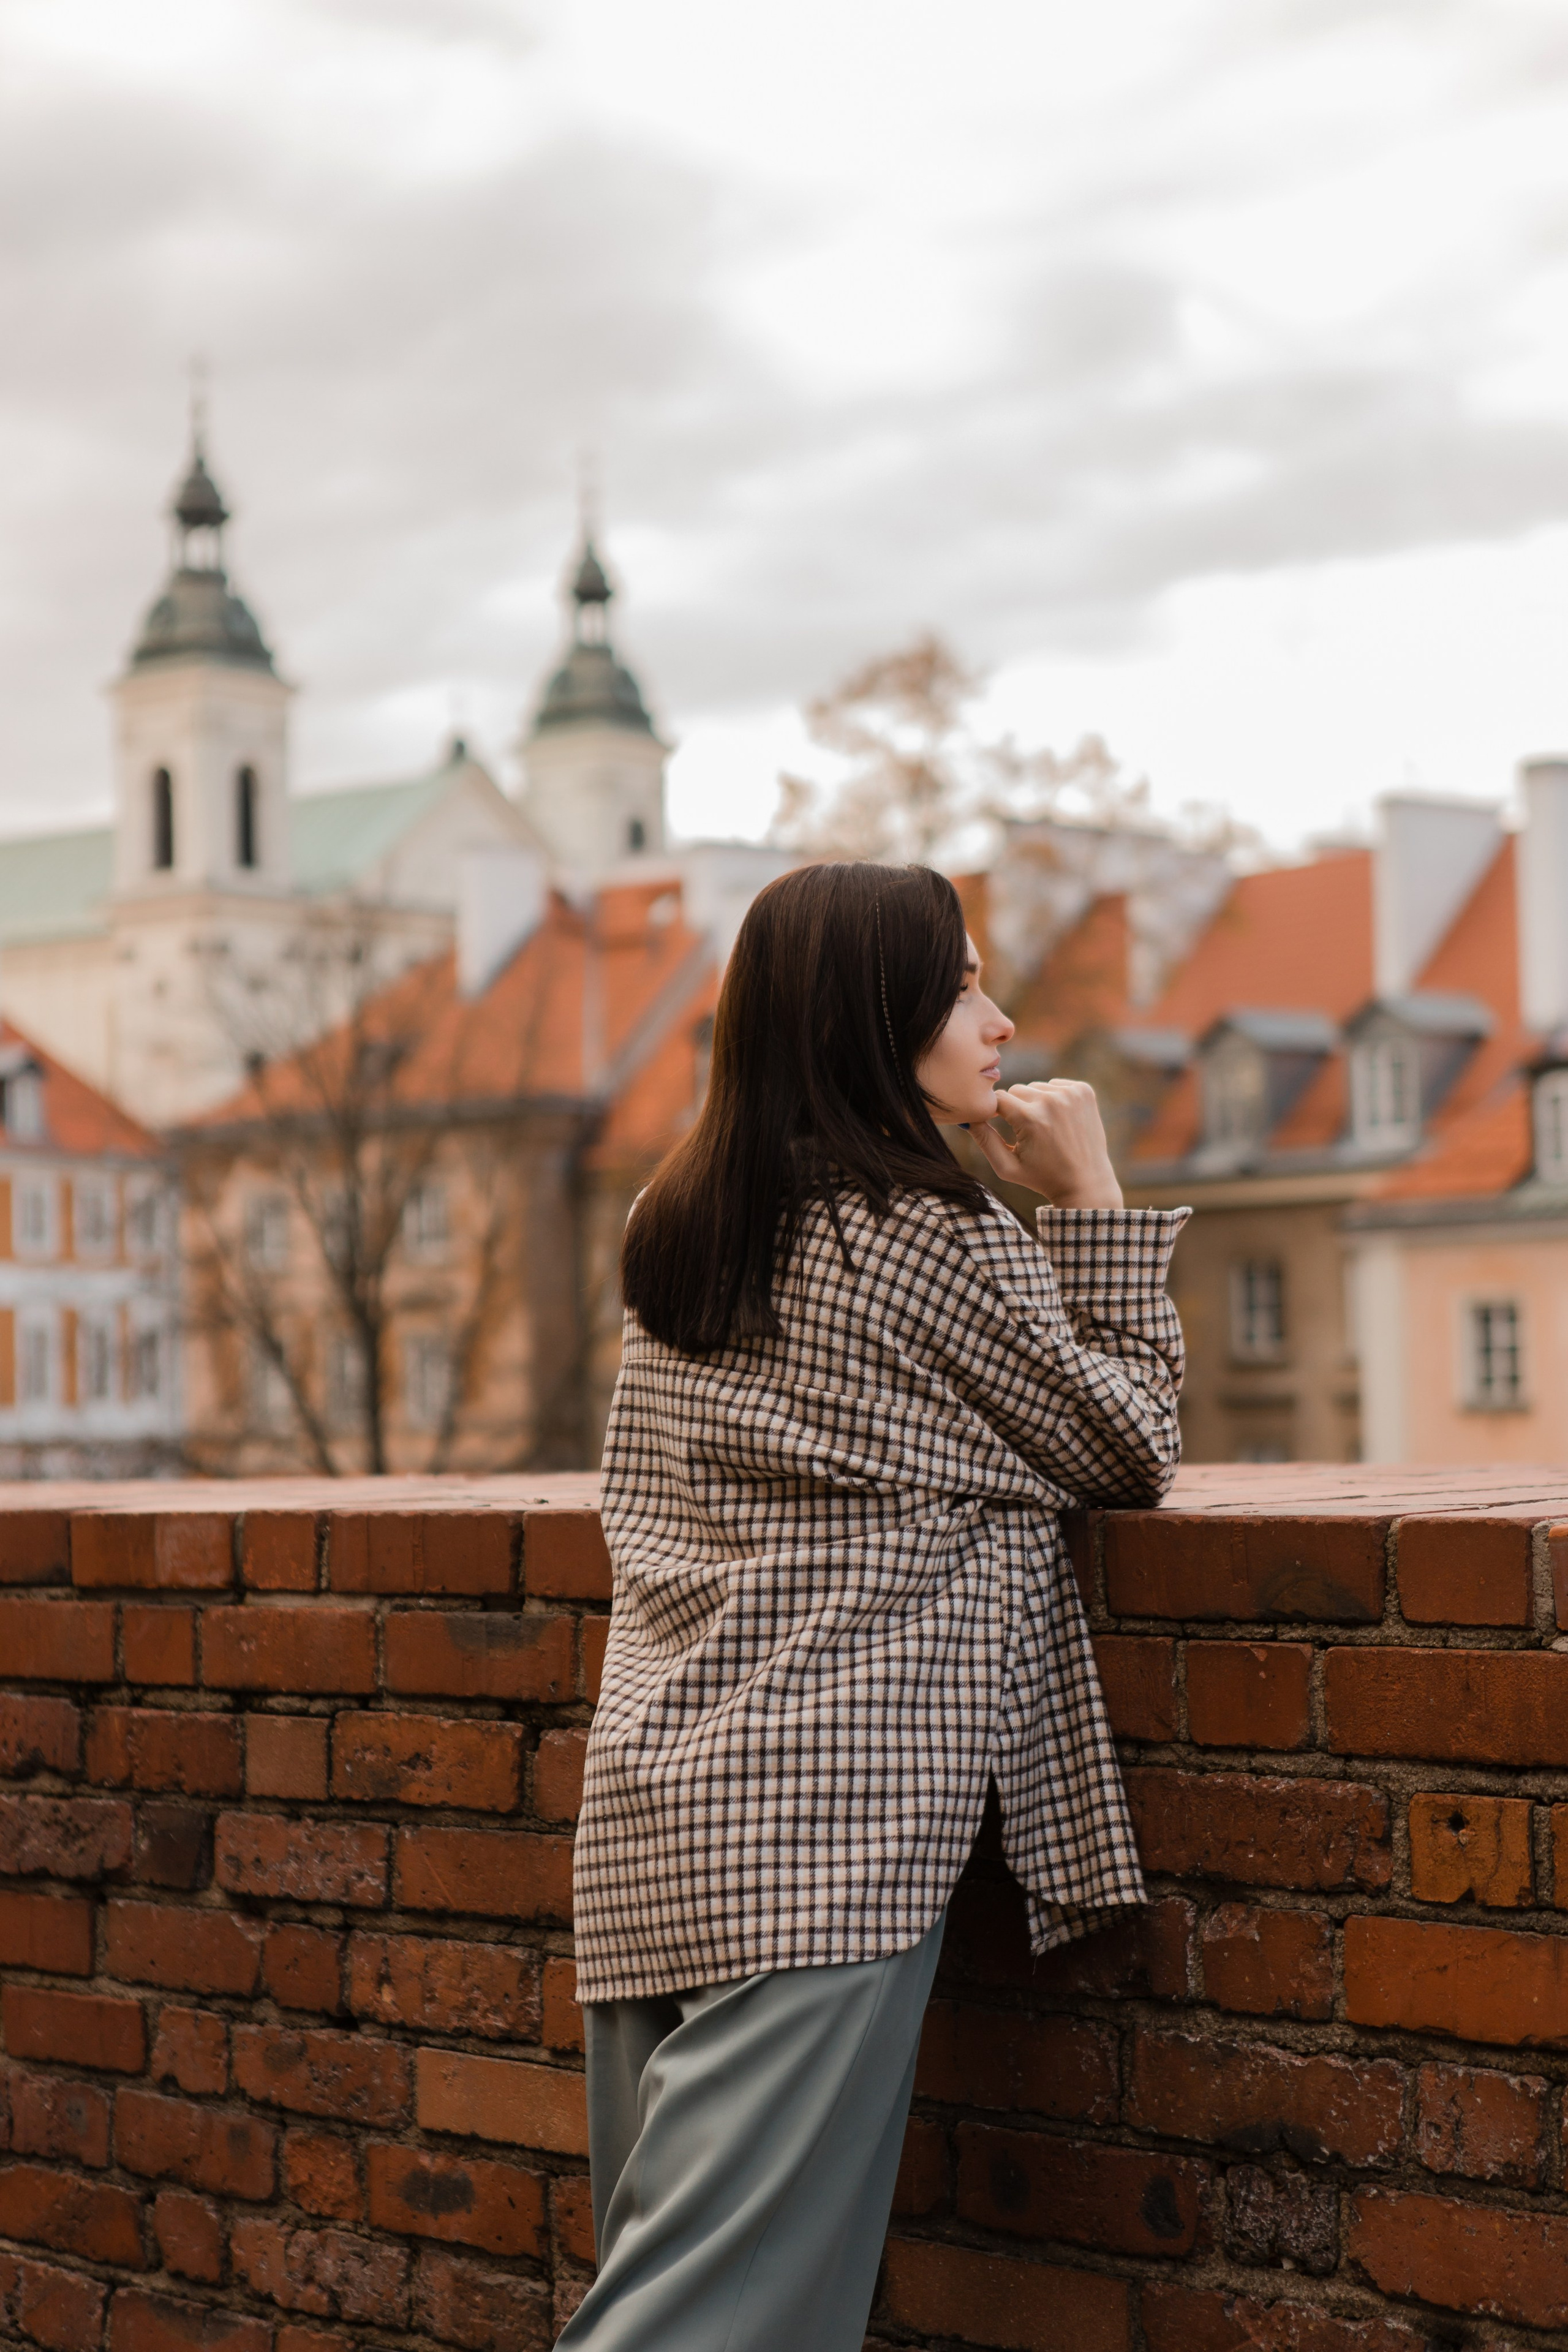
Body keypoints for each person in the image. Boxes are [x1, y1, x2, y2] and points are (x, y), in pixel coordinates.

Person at [558, 860, 1188, 2351]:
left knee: (667, 2287)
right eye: (961, 983)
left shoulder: (691, 1220)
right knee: (705, 2332)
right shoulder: (924, 1237)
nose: (1001, 1015)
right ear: (870, 1011)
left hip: (656, 1811)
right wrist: (1092, 1200)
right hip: (819, 1836)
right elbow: (1127, 1445)